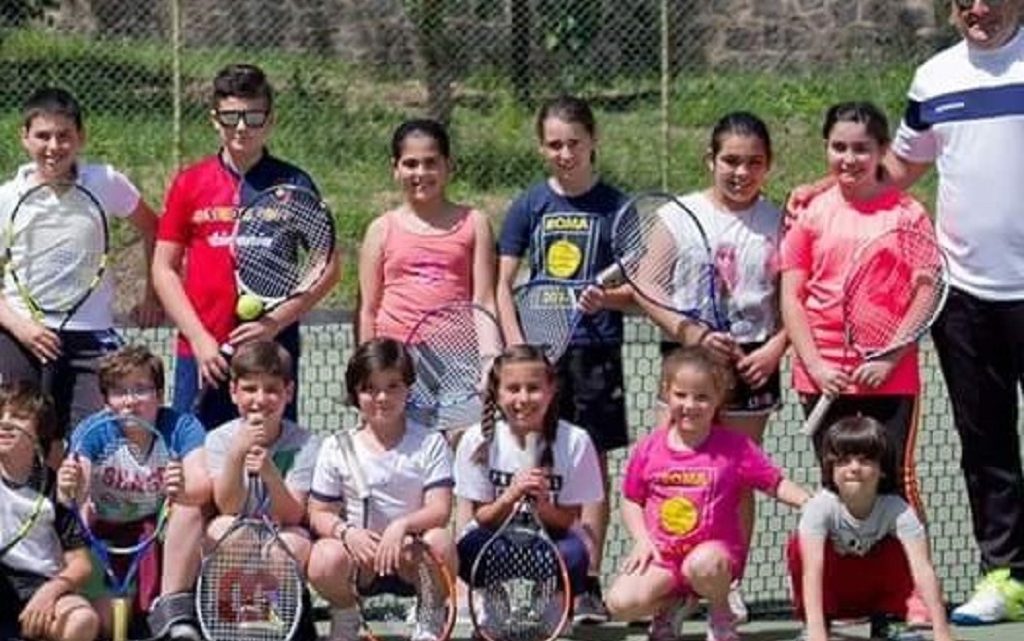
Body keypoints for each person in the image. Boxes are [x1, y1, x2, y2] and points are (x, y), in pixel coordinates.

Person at [787, 3, 1024, 623]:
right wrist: (823, 185)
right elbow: (898, 167)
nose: (979, 8)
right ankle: (1007, 575)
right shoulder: (934, 78)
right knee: (986, 442)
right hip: (965, 295)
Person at [641, 112, 786, 622]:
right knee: (672, 471)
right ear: (710, 159)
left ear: (767, 166)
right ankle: (671, 579)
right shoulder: (679, 216)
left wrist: (776, 347)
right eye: (730, 160)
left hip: (752, 364)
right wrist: (690, 332)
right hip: (688, 363)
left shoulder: (778, 220)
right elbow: (649, 287)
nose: (741, 172)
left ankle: (727, 582)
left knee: (736, 477)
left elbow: (794, 300)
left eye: (754, 162)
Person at [494, 95, 631, 622]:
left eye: (574, 143)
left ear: (593, 141)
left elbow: (639, 291)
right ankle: (531, 577)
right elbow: (502, 285)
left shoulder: (616, 207)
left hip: (595, 354)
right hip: (537, 363)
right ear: (541, 147)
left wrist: (609, 299)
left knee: (590, 468)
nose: (565, 153)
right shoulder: (530, 205)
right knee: (533, 467)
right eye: (554, 144)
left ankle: (588, 582)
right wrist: (516, 350)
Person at [152, 63, 340, 430]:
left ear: (269, 121)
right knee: (198, 464)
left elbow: (327, 266)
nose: (241, 127)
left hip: (272, 352)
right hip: (203, 353)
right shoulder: (190, 183)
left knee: (270, 461)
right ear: (214, 119)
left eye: (253, 117)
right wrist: (200, 338)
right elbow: (163, 268)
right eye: (231, 116)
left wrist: (274, 323)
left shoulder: (294, 182)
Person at [780, 102, 935, 520]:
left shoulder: (908, 214)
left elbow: (926, 292)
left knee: (892, 482)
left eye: (862, 149)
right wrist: (815, 365)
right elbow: (791, 296)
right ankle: (844, 581)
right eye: (839, 147)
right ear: (826, 148)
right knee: (837, 485)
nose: (849, 159)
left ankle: (911, 583)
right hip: (821, 375)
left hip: (891, 375)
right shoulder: (810, 213)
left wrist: (888, 357)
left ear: (883, 150)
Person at [604, 346, 809, 641]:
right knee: (620, 604)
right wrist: (642, 540)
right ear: (666, 393)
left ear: (718, 400)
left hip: (713, 559)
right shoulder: (649, 447)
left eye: (702, 397)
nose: (690, 405)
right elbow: (631, 499)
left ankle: (720, 613)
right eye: (681, 395)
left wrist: (807, 501)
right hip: (664, 557)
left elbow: (774, 483)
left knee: (704, 565)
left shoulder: (735, 447)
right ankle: (670, 605)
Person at [0, 87, 163, 433]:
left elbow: (155, 229)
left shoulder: (105, 182)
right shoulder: (6, 197)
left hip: (92, 338)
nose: (53, 146)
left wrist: (152, 297)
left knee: (96, 438)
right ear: (25, 138)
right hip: (22, 336)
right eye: (42, 136)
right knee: (20, 439)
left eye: (64, 136)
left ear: (80, 138)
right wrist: (22, 328)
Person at [306, 338, 455, 641]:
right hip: (361, 562)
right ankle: (346, 614)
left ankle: (429, 614)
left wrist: (401, 526)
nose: (382, 397)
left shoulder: (430, 442)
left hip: (412, 558)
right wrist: (348, 533)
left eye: (393, 386)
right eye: (370, 388)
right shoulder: (336, 446)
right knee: (323, 556)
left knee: (439, 540)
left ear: (408, 390)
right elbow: (318, 513)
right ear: (355, 394)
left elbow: (440, 510)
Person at [60, 346, 209, 641]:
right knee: (107, 625)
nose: (130, 401)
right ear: (106, 401)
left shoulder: (182, 426)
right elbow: (75, 497)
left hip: (155, 534)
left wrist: (181, 487)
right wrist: (69, 485)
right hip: (104, 535)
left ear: (160, 395)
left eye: (141, 389)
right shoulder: (93, 431)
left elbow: (202, 487)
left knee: (190, 507)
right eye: (118, 392)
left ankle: (172, 609)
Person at [453, 344, 603, 630]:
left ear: (551, 389)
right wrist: (511, 495)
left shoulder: (575, 441)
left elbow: (570, 522)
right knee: (467, 547)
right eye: (513, 388)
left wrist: (544, 507)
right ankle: (493, 602)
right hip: (496, 540)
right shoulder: (477, 441)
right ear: (497, 393)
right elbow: (481, 518)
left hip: (548, 541)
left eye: (533, 388)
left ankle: (550, 602)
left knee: (576, 553)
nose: (523, 398)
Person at [788, 415, 954, 641]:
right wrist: (818, 635)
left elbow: (923, 570)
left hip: (871, 590)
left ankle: (887, 618)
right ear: (831, 468)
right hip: (836, 593)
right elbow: (812, 573)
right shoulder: (819, 508)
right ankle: (818, 625)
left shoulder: (898, 510)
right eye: (844, 461)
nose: (854, 468)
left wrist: (942, 632)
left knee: (901, 547)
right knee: (798, 546)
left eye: (865, 460)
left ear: (882, 469)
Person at [203, 340, 321, 638]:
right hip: (240, 526)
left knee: (290, 545)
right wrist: (236, 453)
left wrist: (270, 472)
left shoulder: (306, 443)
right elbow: (228, 506)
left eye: (271, 389)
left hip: (282, 530)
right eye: (250, 389)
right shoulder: (218, 439)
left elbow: (293, 514)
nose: (260, 399)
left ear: (288, 393)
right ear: (233, 392)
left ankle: (276, 622)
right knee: (222, 530)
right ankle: (227, 620)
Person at [357, 118, 496, 343]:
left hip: (457, 355)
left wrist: (489, 357)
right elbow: (367, 309)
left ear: (448, 165)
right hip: (396, 358)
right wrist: (367, 367)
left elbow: (484, 302)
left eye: (431, 163)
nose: (420, 173)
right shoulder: (380, 229)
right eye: (410, 164)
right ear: (395, 169)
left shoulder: (475, 223)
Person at [1, 381, 100, 641]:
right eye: (0, 415)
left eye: (19, 417)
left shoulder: (54, 487)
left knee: (82, 621)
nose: (6, 422)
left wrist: (50, 591)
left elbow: (81, 563)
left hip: (39, 582)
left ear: (38, 430)